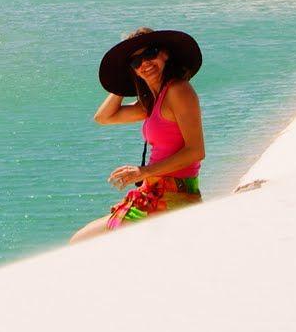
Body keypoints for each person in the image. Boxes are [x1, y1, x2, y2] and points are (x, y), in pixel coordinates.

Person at [69, 26, 204, 243]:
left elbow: (196, 151)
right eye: (136, 62)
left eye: (149, 54)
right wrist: (123, 82)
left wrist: (143, 171)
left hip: (174, 196)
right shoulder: (152, 102)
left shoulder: (178, 91)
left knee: (83, 242)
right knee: (80, 239)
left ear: (165, 54)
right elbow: (103, 117)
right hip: (152, 193)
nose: (145, 64)